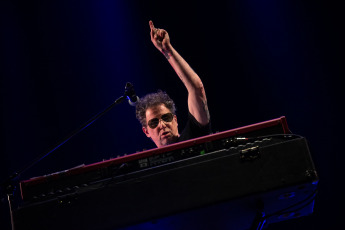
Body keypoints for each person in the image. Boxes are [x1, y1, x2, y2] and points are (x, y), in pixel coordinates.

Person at [135, 21, 211, 148]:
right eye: (154, 122)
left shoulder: (194, 137)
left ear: (175, 120)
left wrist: (167, 50)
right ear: (146, 131)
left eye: (166, 117)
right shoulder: (151, 167)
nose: (162, 125)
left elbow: (197, 88)